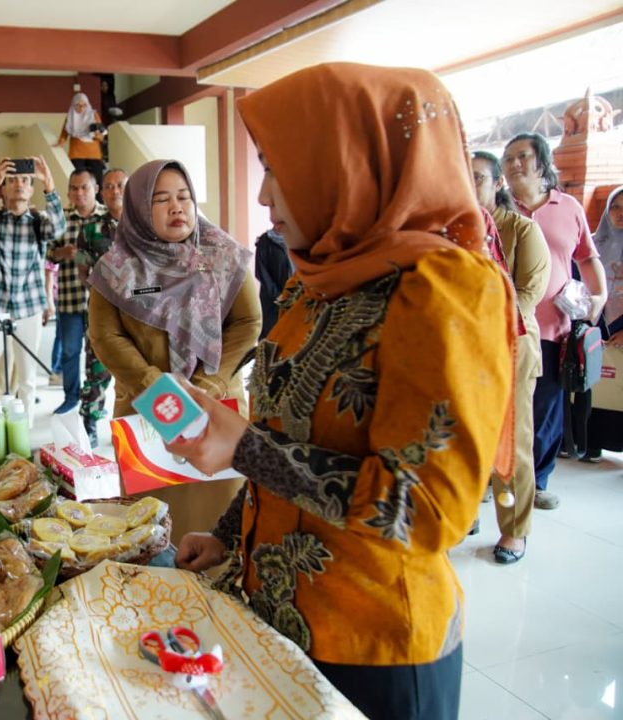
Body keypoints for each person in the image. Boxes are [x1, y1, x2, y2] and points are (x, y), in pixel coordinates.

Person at [167, 64, 515, 720]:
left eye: (278, 170)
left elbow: (424, 509)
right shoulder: (317, 282)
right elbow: (285, 437)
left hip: (376, 646)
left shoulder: (444, 291)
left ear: (346, 166)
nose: (264, 194)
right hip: (277, 617)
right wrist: (229, 535)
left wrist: (245, 449)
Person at [87, 159, 261, 541]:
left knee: (221, 523)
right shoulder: (115, 269)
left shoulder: (223, 257)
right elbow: (105, 336)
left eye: (184, 197)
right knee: (151, 529)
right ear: (138, 208)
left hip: (215, 406)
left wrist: (209, 386)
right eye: (162, 199)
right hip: (147, 408)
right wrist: (157, 386)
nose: (177, 207)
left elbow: (248, 322)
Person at [503, 132, 607, 508]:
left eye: (523, 156)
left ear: (543, 161)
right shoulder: (498, 208)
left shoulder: (569, 207)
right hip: (504, 327)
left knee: (545, 409)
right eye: (508, 158)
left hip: (554, 327)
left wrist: (600, 295)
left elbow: (587, 257)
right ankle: (497, 478)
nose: (515, 164)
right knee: (504, 407)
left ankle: (538, 481)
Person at [472, 151, 550, 563]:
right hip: (468, 348)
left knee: (512, 442)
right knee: (467, 435)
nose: (469, 186)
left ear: (498, 183)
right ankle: (465, 511)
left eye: (478, 178)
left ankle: (514, 531)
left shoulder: (521, 230)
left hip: (512, 345)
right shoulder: (454, 229)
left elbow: (528, 295)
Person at [0, 156, 66, 418]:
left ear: (31, 189)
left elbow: (59, 228)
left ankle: (24, 432)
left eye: (25, 180)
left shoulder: (39, 222)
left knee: (27, 379)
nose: (19, 184)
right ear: (4, 189)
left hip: (30, 309)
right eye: (12, 180)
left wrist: (49, 184)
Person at [47, 169, 108, 416]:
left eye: (84, 187)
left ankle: (95, 401)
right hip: (70, 299)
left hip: (101, 303)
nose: (79, 192)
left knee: (101, 354)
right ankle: (71, 397)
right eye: (74, 188)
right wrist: (62, 253)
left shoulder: (108, 218)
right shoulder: (61, 219)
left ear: (95, 189)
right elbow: (48, 253)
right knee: (70, 352)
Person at [78, 168, 127, 446]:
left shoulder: (147, 225)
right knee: (97, 369)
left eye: (120, 185)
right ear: (101, 192)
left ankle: (136, 426)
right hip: (103, 312)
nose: (115, 190)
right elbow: (82, 270)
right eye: (109, 186)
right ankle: (90, 421)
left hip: (141, 313)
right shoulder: (90, 229)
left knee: (138, 371)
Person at [585, 186, 623, 460]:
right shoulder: (593, 245)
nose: (620, 214)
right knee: (594, 383)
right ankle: (589, 442)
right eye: (615, 207)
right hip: (596, 323)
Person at [55, 92, 106, 187]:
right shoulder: (70, 117)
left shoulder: (93, 115)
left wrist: (96, 135)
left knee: (98, 180)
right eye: (78, 105)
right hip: (76, 153)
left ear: (87, 105)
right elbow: (65, 132)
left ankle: (98, 196)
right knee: (78, 179)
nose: (81, 108)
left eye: (84, 105)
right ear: (73, 105)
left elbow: (101, 134)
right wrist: (60, 142)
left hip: (94, 153)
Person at [253, 228, 294, 339]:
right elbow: (261, 273)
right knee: (272, 337)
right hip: (272, 303)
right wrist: (279, 296)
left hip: (295, 298)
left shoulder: (295, 238)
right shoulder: (265, 241)